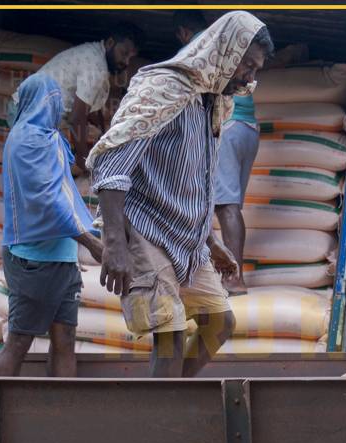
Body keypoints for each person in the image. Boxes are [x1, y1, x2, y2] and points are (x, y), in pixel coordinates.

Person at [88, 12, 274, 378]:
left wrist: (211, 241)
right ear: (226, 51)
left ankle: (172, 399)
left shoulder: (211, 101)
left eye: (256, 70)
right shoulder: (163, 87)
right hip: (143, 230)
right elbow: (111, 162)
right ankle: (162, 423)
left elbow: (194, 183)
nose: (250, 78)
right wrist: (113, 242)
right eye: (247, 65)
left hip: (187, 241)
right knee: (169, 335)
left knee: (219, 323)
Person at [173, 9, 306, 295]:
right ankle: (225, 273)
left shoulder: (197, 45)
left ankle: (234, 278)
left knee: (224, 205)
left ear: (184, 32)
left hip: (229, 126)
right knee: (228, 204)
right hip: (247, 129)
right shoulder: (226, 49)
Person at [0, 73, 104, 378]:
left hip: (61, 258)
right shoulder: (27, 140)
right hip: (34, 259)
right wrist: (92, 242)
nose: (58, 107)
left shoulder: (48, 139)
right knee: (19, 340)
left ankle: (60, 413)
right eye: (51, 100)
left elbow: (64, 193)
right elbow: (48, 200)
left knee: (65, 339)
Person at [29, 22, 144, 174]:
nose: (126, 62)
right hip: (32, 119)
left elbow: (87, 107)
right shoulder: (95, 66)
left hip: (37, 116)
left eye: (130, 57)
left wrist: (104, 133)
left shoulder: (95, 55)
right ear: (110, 43)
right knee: (48, 178)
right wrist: (84, 162)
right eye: (124, 53)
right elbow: (77, 118)